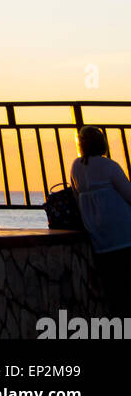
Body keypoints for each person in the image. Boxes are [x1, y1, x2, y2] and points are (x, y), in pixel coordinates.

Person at [69, 125, 131, 315]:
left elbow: (74, 193)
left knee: (114, 287)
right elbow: (128, 195)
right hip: (122, 233)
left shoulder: (76, 166)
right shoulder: (109, 166)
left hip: (98, 236)